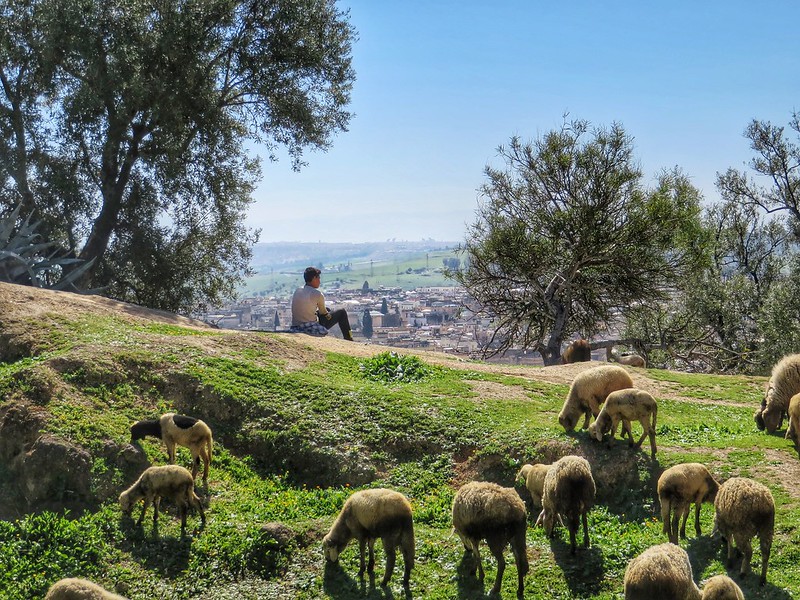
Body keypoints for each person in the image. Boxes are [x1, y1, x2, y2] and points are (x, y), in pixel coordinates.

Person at [290, 267, 353, 340]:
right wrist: (329, 314)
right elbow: (324, 313)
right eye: (318, 278)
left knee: (327, 309)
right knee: (342, 312)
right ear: (314, 278)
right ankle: (349, 337)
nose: (319, 281)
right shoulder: (317, 294)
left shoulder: (297, 290)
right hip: (309, 327)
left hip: (296, 326)